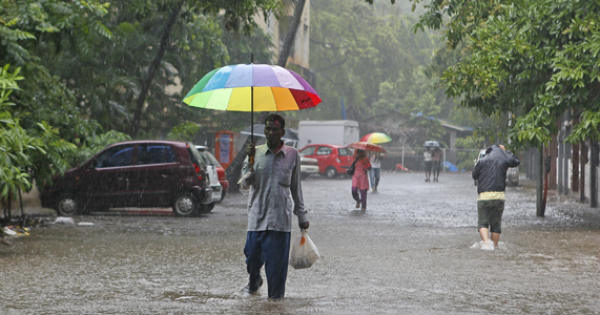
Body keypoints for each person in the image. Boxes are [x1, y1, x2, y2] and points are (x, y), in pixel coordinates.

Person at [240, 114, 309, 299]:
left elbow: (296, 187)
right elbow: (244, 185)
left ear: (282, 132)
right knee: (252, 258)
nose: (270, 132)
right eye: (268, 128)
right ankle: (254, 280)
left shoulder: (292, 155)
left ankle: (275, 304)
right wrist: (249, 165)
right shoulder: (255, 153)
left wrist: (302, 215)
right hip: (257, 218)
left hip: (280, 222)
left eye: (274, 129)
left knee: (276, 273)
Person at [472, 144, 520, 250]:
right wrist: (505, 152)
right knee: (496, 225)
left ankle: (486, 243)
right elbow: (516, 161)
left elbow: (474, 175)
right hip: (499, 197)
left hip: (484, 197)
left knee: (482, 223)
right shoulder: (504, 159)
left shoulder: (482, 161)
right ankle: (494, 247)